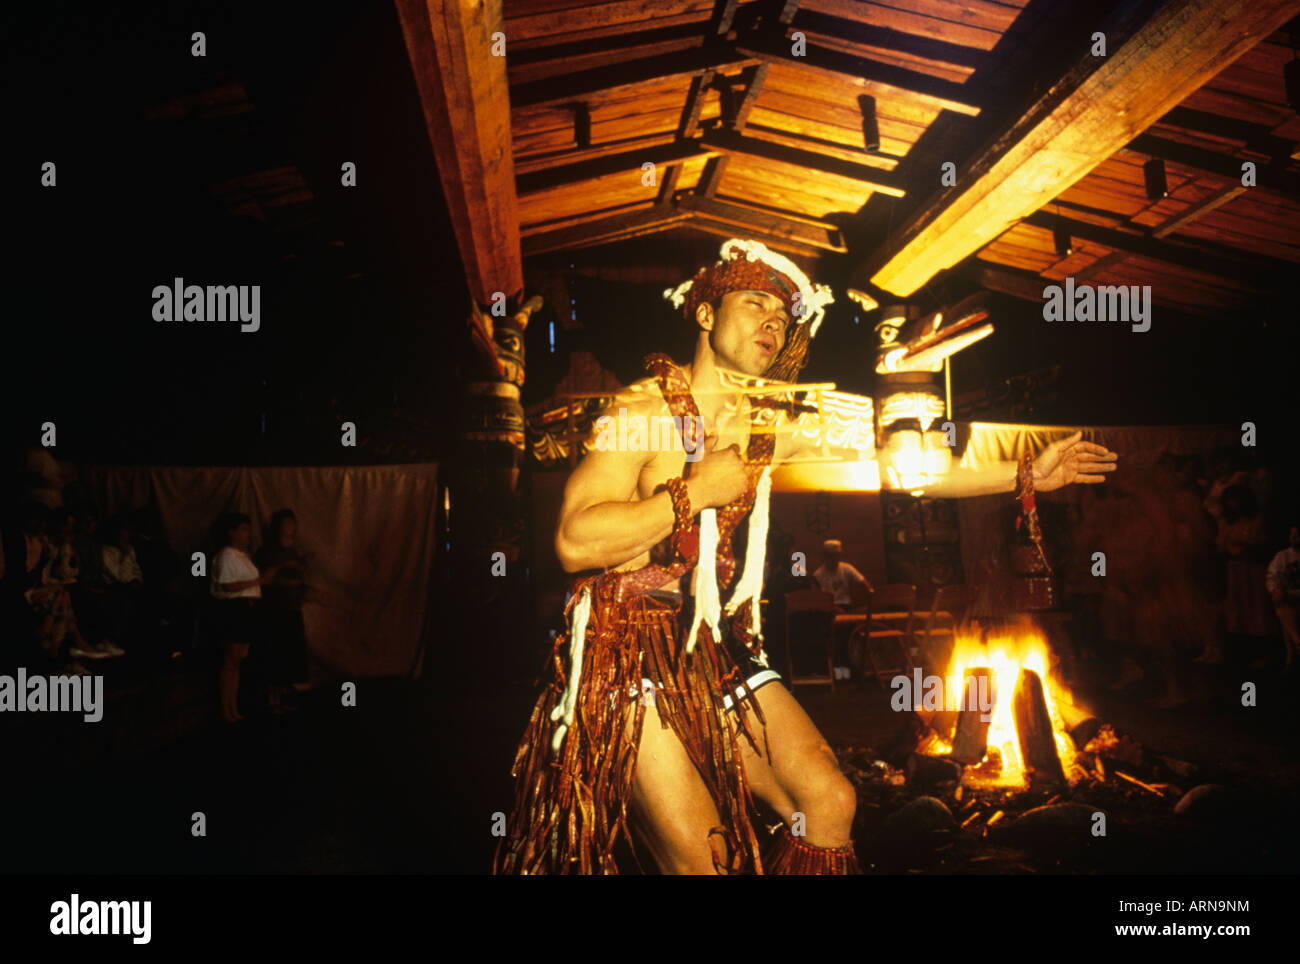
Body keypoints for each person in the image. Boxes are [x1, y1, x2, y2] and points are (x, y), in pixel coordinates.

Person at [493, 238, 1118, 875]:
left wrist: (1026, 474)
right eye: (754, 301)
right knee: (706, 858)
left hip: (711, 647)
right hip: (623, 651)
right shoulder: (642, 408)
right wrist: (695, 492)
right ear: (705, 314)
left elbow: (903, 472)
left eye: (783, 316)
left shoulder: (774, 423)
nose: (772, 320)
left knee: (827, 799)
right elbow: (574, 541)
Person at [211, 513, 282, 723]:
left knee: (237, 661)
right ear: (231, 532)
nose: (247, 534)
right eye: (243, 529)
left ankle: (232, 707)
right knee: (231, 662)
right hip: (234, 609)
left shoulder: (243, 556)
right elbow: (227, 585)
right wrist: (261, 580)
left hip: (246, 609)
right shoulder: (226, 555)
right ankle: (226, 709)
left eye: (248, 529)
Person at [255, 509, 310, 711]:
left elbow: (297, 578)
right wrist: (287, 579)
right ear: (278, 527)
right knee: (275, 654)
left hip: (293, 610)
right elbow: (264, 580)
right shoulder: (267, 551)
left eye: (293, 523)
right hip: (275, 611)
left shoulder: (293, 551)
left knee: (293, 653)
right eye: (287, 523)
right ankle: (273, 701)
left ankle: (290, 697)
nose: (291, 527)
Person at [812, 538, 872, 680]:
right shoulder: (818, 574)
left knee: (850, 633)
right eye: (830, 556)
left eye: (835, 556)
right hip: (828, 610)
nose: (833, 559)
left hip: (846, 608)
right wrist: (834, 609)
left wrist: (867, 603)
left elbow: (867, 586)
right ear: (824, 557)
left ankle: (849, 666)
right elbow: (819, 598)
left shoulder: (847, 568)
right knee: (836, 634)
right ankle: (839, 666)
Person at [1265, 522, 1300, 672]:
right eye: (1292, 535)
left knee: (1286, 616)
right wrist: (1275, 589)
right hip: (1287, 598)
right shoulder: (1283, 556)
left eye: (1297, 535)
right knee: (1283, 608)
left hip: (1294, 596)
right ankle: (1297, 644)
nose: (1293, 538)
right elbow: (1272, 576)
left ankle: (1293, 654)